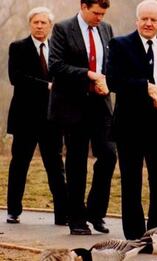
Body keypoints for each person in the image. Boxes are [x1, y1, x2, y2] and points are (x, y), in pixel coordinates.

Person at [106, 0, 157, 240]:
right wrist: (145, 88)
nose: (149, 23)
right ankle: (135, 236)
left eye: (154, 20)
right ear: (136, 20)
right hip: (130, 126)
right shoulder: (120, 45)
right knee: (131, 183)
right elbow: (113, 81)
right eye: (144, 19)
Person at [48, 0, 117, 235]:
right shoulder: (62, 28)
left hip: (101, 105)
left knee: (108, 155)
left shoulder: (106, 29)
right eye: (96, 13)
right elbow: (55, 66)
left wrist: (106, 81)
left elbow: (110, 64)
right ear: (83, 6)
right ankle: (76, 218)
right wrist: (88, 75)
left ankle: (95, 212)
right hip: (72, 106)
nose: (100, 17)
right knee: (76, 163)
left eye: (103, 13)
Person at [6, 7, 68, 226]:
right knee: (20, 164)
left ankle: (63, 214)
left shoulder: (58, 50)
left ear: (50, 26)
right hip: (25, 118)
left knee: (56, 167)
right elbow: (17, 79)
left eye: (44, 22)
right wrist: (48, 86)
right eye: (36, 22)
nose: (40, 26)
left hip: (52, 118)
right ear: (30, 24)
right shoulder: (18, 47)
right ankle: (13, 210)